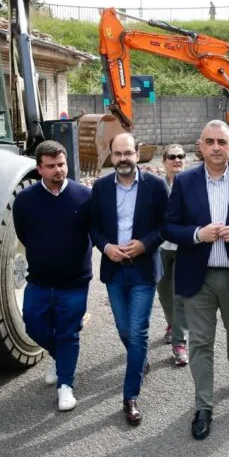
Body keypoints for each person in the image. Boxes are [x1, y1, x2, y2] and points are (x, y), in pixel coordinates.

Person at [163, 120, 229, 440]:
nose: (215, 147)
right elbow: (168, 228)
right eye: (209, 141)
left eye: (221, 142)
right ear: (200, 145)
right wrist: (197, 234)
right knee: (200, 342)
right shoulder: (184, 182)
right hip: (198, 276)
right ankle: (204, 406)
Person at [90, 133, 169, 426]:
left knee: (137, 333)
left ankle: (130, 396)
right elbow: (94, 227)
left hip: (143, 269)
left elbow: (167, 225)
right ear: (111, 156)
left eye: (128, 153)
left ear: (137, 153)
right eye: (117, 153)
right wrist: (107, 247)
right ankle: (140, 359)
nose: (123, 158)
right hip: (114, 269)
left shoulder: (156, 186)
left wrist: (145, 244)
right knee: (125, 330)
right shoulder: (99, 188)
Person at [12, 140, 92, 412]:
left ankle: (65, 385)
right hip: (40, 281)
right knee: (33, 326)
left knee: (69, 332)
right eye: (51, 166)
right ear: (39, 169)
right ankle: (61, 359)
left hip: (75, 282)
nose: (58, 170)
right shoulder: (24, 201)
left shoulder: (84, 196)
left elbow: (95, 233)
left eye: (62, 164)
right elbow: (23, 233)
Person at [156, 144, 189, 366]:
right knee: (164, 292)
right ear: (164, 161)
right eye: (172, 156)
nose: (176, 160)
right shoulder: (157, 186)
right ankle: (171, 324)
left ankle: (179, 342)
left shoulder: (191, 183)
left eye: (180, 156)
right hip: (160, 248)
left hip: (184, 248)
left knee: (180, 296)